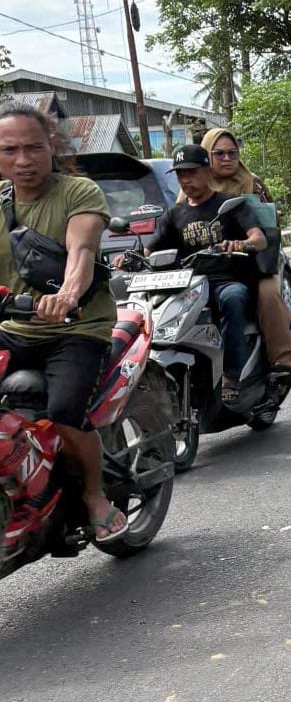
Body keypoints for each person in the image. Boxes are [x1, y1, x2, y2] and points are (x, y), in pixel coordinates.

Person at [0, 104, 128, 541]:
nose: (22, 160)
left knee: (64, 410)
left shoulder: (78, 192)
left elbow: (82, 251)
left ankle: (94, 495)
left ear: (51, 146)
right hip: (13, 328)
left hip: (74, 328)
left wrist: (68, 294)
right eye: (10, 150)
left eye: (33, 147)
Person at [150, 144, 266, 402]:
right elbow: (151, 250)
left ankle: (231, 375)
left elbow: (259, 239)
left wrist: (241, 244)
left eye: (191, 172)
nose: (185, 180)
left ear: (207, 171)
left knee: (233, 299)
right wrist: (130, 258)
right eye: (180, 175)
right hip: (189, 287)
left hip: (225, 282)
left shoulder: (229, 205)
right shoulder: (174, 214)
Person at [197, 129, 291, 403]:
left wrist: (244, 244)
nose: (227, 159)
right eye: (219, 154)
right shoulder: (195, 189)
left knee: (267, 295)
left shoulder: (251, 184)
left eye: (233, 153)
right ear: (207, 156)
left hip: (252, 263)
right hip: (210, 267)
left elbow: (269, 227)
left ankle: (283, 363)